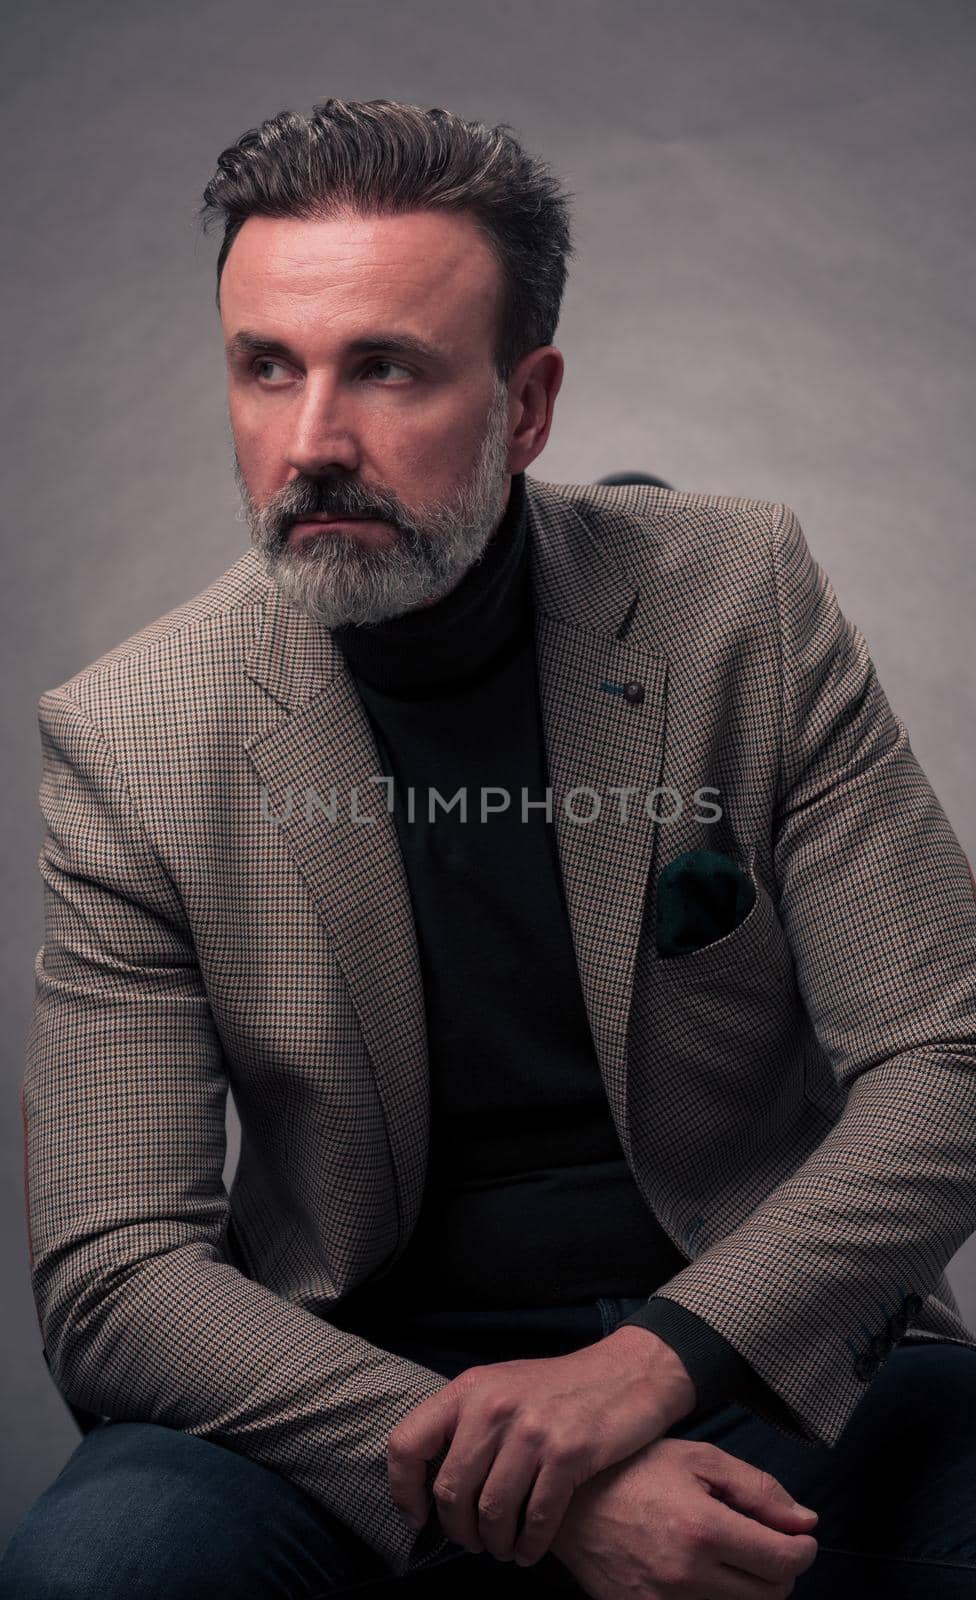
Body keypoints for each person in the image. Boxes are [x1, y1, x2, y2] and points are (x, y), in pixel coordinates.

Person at [2, 97, 975, 1600]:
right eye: (268, 368)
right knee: (99, 1571)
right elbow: (115, 1267)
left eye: (385, 368)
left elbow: (949, 1057)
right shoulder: (132, 734)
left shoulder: (738, 601)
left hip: (746, 1337)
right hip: (349, 1388)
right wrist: (518, 1482)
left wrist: (658, 1366)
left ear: (528, 406)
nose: (313, 442)